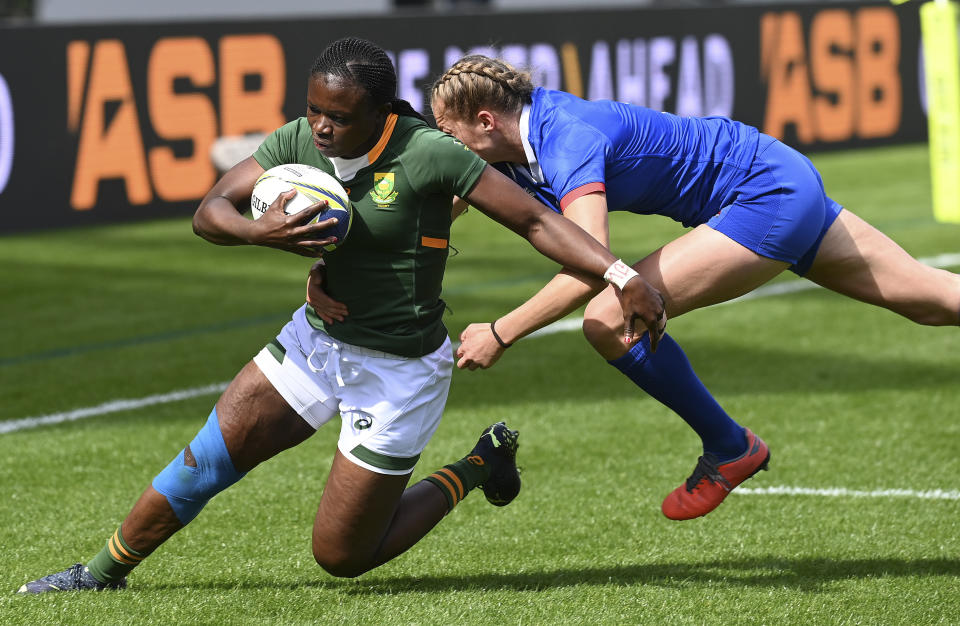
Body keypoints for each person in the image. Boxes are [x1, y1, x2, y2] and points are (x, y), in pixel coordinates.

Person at [17, 39, 667, 593]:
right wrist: (257, 234)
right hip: (317, 341)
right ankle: (97, 574)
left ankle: (478, 463)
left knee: (341, 557)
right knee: (207, 459)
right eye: (315, 111)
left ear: (381, 114)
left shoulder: (430, 154)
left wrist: (620, 273)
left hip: (400, 373)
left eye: (340, 117)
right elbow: (211, 207)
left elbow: (534, 219)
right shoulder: (300, 141)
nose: (322, 128)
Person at [426, 55, 960, 522]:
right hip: (775, 172)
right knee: (934, 301)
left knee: (607, 320)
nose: (450, 152)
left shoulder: (565, 138)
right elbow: (439, 204)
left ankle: (730, 447)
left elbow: (594, 262)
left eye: (450, 138)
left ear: (486, 121)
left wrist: (502, 330)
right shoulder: (508, 144)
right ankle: (730, 446)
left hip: (764, 196)